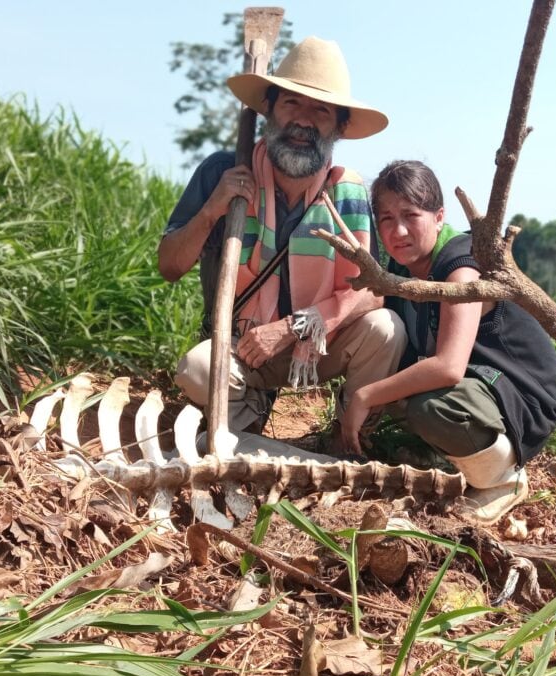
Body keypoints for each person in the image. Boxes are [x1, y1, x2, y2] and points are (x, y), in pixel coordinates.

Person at [158, 37, 405, 438]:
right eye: (292, 103)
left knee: (386, 328)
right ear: (269, 109)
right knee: (197, 371)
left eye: (321, 110)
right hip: (243, 346)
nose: (304, 121)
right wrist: (211, 210)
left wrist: (294, 327)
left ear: (339, 126)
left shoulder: (348, 192)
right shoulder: (224, 172)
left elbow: (372, 292)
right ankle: (248, 410)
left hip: (319, 345)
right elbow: (169, 267)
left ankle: (345, 438)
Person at [341, 160, 556, 523]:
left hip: (520, 395)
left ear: (439, 216)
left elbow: (448, 367)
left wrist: (364, 396)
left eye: (411, 215)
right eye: (386, 219)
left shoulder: (460, 268)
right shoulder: (403, 269)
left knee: (431, 407)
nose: (398, 231)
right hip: (476, 387)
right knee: (394, 367)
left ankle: (503, 479)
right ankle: (452, 457)